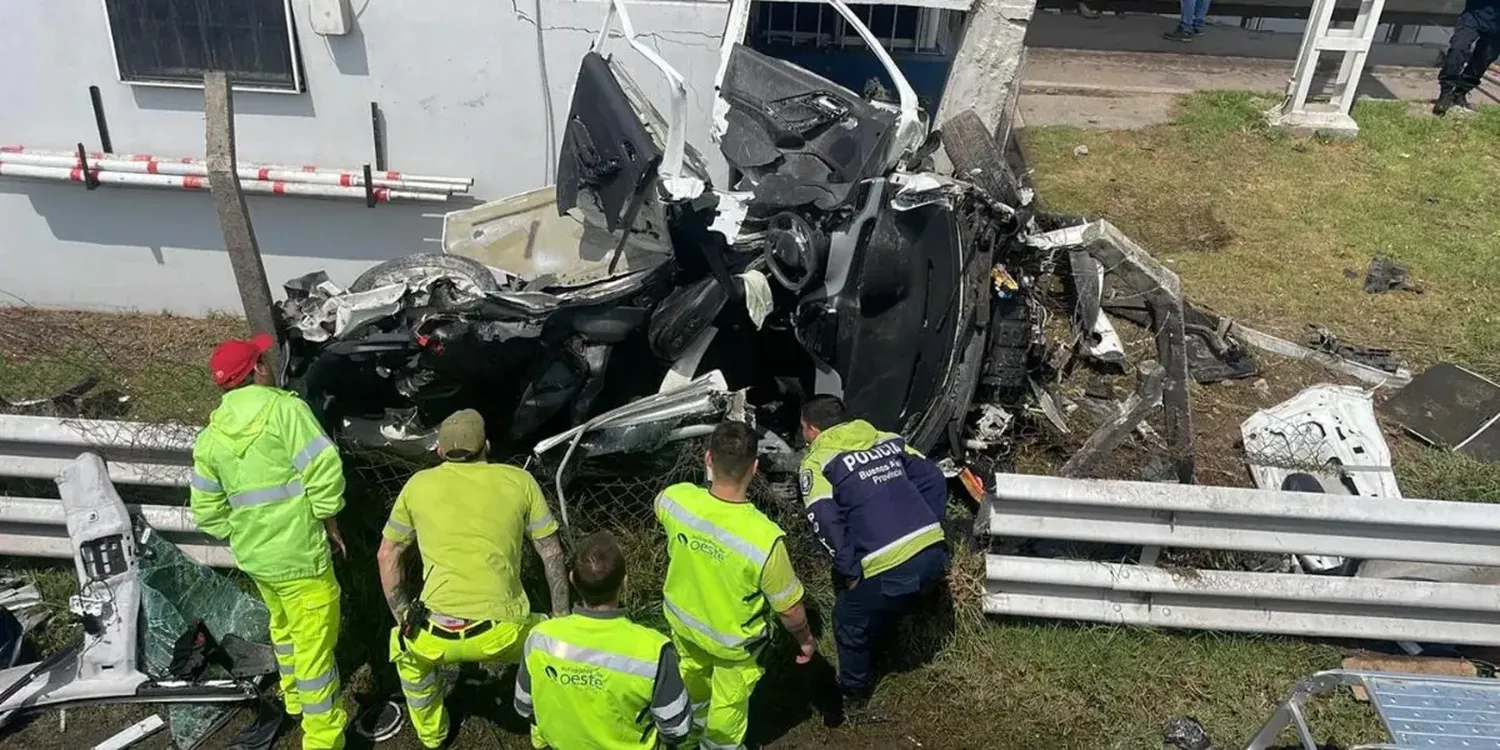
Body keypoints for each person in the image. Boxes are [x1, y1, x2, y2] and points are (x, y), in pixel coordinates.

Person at [188, 332, 350, 749]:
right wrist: (328, 522)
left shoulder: (210, 437)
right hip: (301, 555)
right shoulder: (286, 411)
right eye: (263, 359)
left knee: (284, 627)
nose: (268, 364)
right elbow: (324, 468)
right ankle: (323, 738)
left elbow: (206, 511)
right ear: (257, 369)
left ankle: (293, 699)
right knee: (316, 650)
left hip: (258, 557)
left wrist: (244, 532)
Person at [377, 408, 571, 749]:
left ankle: (431, 734)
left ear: (439, 451)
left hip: (433, 634)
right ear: (488, 446)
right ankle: (544, 735)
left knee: (405, 652)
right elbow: (551, 554)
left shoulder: (417, 485)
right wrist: (561, 619)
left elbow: (387, 555)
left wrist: (405, 618)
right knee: (547, 648)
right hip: (502, 631)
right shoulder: (519, 481)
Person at [655, 421, 817, 750]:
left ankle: (687, 738)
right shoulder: (765, 540)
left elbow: (660, 504)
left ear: (707, 459)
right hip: (733, 648)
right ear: (755, 468)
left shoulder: (675, 501)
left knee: (694, 682)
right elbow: (790, 610)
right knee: (729, 706)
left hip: (683, 624)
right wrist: (806, 640)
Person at [797, 395, 949, 713]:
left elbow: (825, 521)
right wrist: (930, 524)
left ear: (811, 429)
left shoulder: (817, 462)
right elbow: (933, 478)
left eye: (802, 429)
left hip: (890, 566)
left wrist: (850, 569)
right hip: (934, 553)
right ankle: (891, 636)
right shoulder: (886, 439)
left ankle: (854, 695)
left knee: (847, 619)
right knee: (883, 600)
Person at [515, 531, 694, 749]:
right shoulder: (654, 651)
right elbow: (677, 728)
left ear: (572, 578)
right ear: (625, 582)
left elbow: (523, 707)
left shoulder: (540, 638)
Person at [1434, 0, 1500, 116]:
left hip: (1497, 23)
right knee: (1458, 49)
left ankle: (1460, 92)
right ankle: (1446, 92)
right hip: (1473, 16)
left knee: (1485, 58)